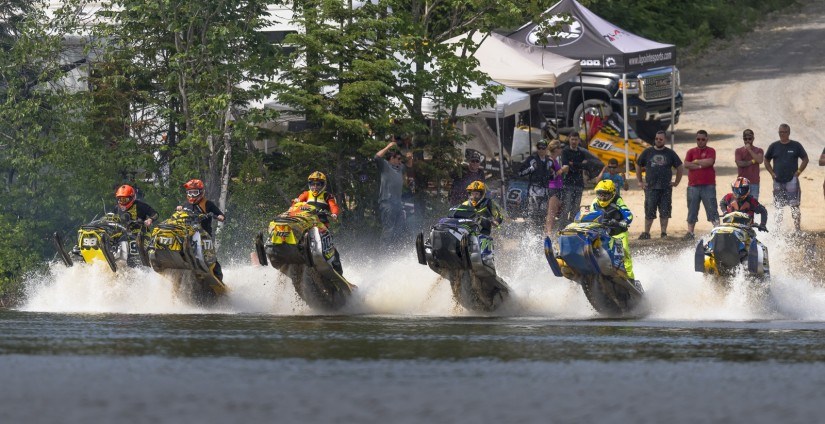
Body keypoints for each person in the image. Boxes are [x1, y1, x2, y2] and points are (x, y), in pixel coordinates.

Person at [635, 130, 684, 239]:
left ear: (664, 140)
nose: (658, 141)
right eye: (656, 139)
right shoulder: (648, 152)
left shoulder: (670, 153)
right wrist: (640, 181)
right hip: (650, 188)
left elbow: (680, 167)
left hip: (665, 188)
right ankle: (646, 233)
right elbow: (638, 165)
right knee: (649, 211)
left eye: (660, 139)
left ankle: (663, 233)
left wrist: (676, 182)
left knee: (665, 211)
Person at [292, 171, 343, 274]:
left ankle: (339, 273)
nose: (315, 187)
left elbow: (334, 206)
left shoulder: (327, 196)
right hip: (306, 223)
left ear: (323, 185)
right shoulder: (306, 194)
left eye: (318, 184)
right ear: (309, 184)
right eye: (312, 184)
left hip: (322, 225)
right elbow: (296, 202)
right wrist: (296, 202)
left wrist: (334, 214)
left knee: (333, 251)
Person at [177, 179, 226, 280]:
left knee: (210, 257)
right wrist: (179, 208)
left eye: (194, 192)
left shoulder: (208, 204)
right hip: (187, 234)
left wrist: (220, 216)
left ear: (201, 192)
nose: (192, 195)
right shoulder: (186, 204)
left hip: (204, 235)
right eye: (189, 192)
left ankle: (218, 278)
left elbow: (220, 214)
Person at [764, 123, 808, 232]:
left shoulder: (796, 145)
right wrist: (772, 173)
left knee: (795, 206)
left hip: (792, 181)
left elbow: (805, 159)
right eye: (780, 132)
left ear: (789, 133)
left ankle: (797, 229)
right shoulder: (774, 146)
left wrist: (798, 172)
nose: (782, 134)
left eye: (784, 132)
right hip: (778, 181)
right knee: (779, 207)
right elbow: (766, 160)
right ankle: (777, 230)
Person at [589, 180, 636, 281]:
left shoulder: (618, 200)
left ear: (612, 193)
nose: (602, 198)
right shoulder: (594, 203)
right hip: (602, 233)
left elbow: (629, 215)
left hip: (619, 233)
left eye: (605, 195)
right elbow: (589, 217)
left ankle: (630, 278)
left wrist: (623, 221)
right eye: (600, 195)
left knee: (624, 254)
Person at [683, 130, 719, 240]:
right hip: (693, 185)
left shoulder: (711, 150)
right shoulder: (690, 151)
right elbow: (686, 164)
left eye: (703, 139)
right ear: (696, 139)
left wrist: (696, 161)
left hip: (708, 185)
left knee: (712, 208)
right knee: (692, 209)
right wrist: (700, 165)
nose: (700, 141)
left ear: (707, 139)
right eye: (698, 139)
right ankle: (690, 233)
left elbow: (710, 162)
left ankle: (717, 230)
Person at [375, 140, 413, 245]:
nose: (400, 161)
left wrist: (410, 158)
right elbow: (377, 157)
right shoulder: (385, 166)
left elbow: (409, 166)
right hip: (387, 203)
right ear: (392, 158)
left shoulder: (399, 168)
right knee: (388, 229)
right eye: (398, 159)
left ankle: (394, 251)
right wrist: (388, 146)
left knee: (400, 228)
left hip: (397, 204)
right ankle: (384, 253)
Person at [517, 139, 554, 229]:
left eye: (543, 148)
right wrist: (531, 168)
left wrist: (552, 174)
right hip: (534, 191)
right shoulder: (531, 159)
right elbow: (520, 172)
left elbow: (554, 177)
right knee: (533, 213)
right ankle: (531, 232)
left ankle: (540, 232)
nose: (541, 150)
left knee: (543, 213)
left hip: (545, 191)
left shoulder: (550, 161)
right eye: (539, 148)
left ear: (546, 149)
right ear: (537, 149)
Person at [559, 131, 588, 229]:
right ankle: (562, 228)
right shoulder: (565, 151)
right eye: (572, 139)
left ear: (579, 140)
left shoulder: (582, 152)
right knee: (566, 207)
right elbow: (566, 165)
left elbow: (585, 165)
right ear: (569, 140)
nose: (574, 141)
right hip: (568, 183)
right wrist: (578, 164)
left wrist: (573, 164)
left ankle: (572, 228)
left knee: (575, 208)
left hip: (579, 183)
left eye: (576, 139)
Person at [544, 140, 567, 236]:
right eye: (559, 148)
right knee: (551, 212)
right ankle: (548, 233)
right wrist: (562, 170)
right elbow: (550, 176)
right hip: (553, 188)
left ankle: (552, 231)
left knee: (557, 211)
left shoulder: (555, 160)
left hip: (558, 187)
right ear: (555, 149)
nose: (561, 149)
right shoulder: (550, 160)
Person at [734, 129, 764, 200]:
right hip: (741, 183)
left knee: (753, 205)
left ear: (753, 138)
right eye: (745, 139)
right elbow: (740, 164)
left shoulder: (759, 150)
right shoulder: (738, 151)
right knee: (741, 206)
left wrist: (750, 150)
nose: (747, 141)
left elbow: (760, 160)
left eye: (749, 139)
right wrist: (753, 161)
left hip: (754, 182)